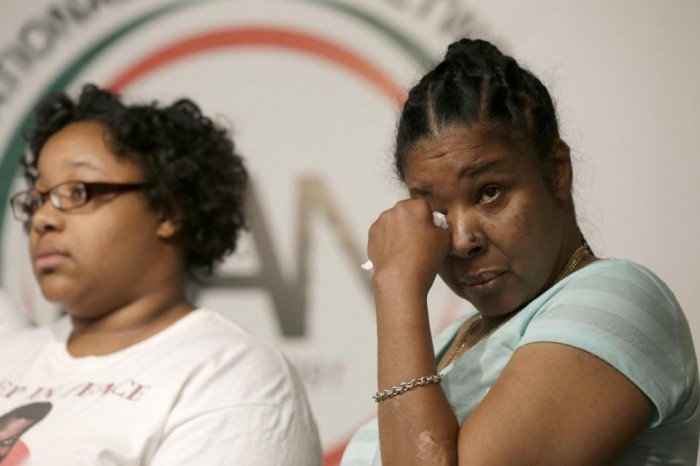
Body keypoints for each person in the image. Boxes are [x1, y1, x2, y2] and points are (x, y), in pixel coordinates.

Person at [341, 38, 699, 465]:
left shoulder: (619, 299)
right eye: (437, 212)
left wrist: (397, 286)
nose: (461, 240)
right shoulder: (451, 344)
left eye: (489, 192)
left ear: (556, 170)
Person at [3, 84, 321, 465]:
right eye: (37, 198)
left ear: (168, 210)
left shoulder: (231, 378)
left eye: (78, 192)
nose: (42, 219)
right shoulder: (12, 354)